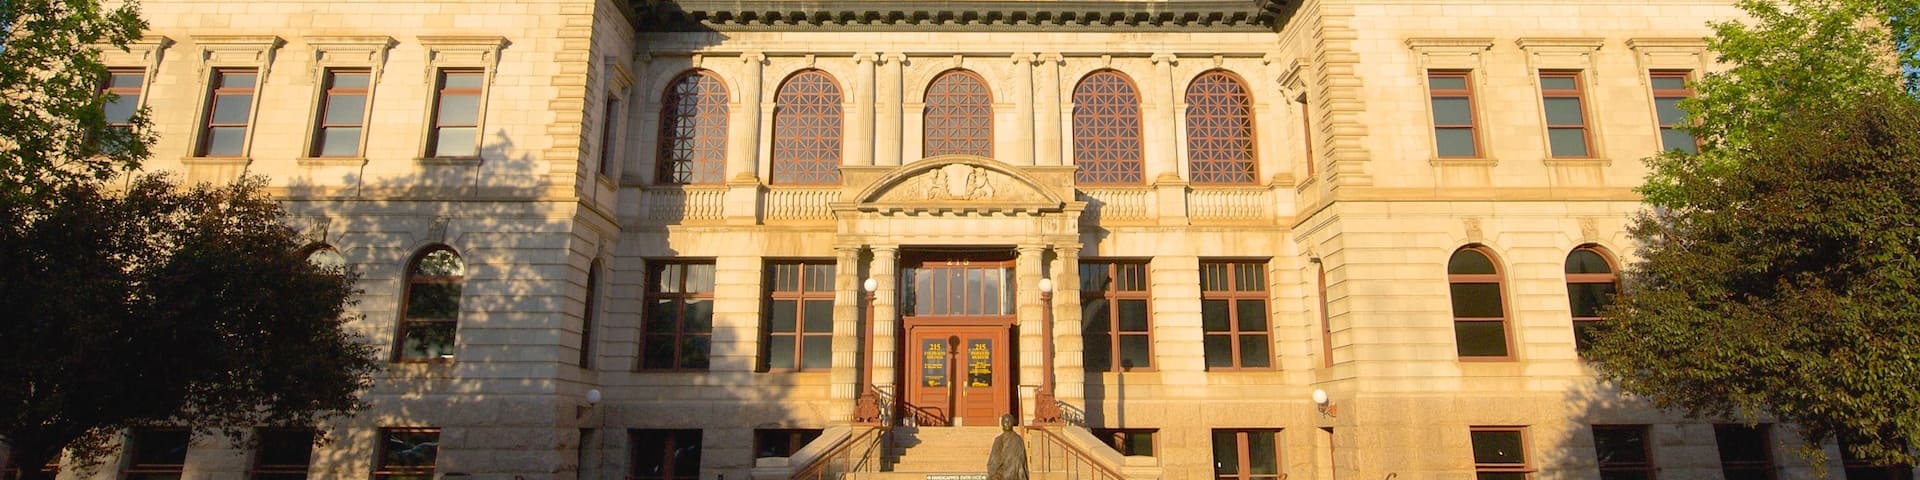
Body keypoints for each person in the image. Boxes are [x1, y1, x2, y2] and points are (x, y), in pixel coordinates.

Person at [987, 414, 1028, 480]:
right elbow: (993, 458)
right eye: (1005, 422)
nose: (1007, 424)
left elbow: (1019, 459)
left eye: (1009, 421)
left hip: (1013, 471)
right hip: (1000, 470)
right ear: (1002, 423)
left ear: (1012, 423)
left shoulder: (1017, 439)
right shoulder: (998, 440)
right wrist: (994, 471)